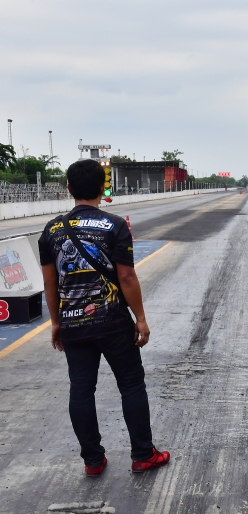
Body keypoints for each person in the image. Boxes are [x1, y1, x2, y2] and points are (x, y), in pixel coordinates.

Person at [39, 159, 169, 478]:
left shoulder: (52, 230)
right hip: (112, 322)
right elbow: (126, 278)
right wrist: (140, 317)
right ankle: (142, 454)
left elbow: (49, 283)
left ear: (69, 189)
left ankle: (93, 460)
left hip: (73, 323)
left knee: (81, 388)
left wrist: (56, 323)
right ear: (102, 188)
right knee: (130, 384)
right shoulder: (115, 225)